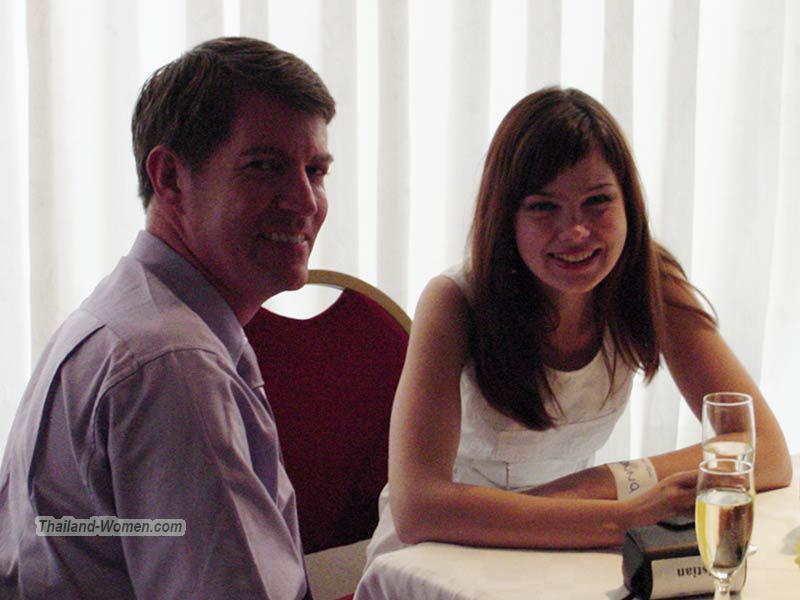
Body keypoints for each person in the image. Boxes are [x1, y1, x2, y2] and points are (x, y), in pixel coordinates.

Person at [364, 87, 791, 564]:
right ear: (505, 217)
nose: (575, 231)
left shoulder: (652, 283)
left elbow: (767, 451)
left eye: (597, 201)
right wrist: (622, 515)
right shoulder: (455, 300)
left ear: (628, 203)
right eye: (543, 207)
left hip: (567, 538)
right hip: (442, 550)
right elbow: (418, 508)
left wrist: (601, 484)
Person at [0, 37, 335, 598]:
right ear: (171, 178)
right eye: (264, 167)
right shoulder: (172, 363)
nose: (305, 201)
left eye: (316, 170)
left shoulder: (125, 317)